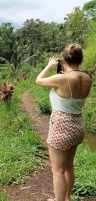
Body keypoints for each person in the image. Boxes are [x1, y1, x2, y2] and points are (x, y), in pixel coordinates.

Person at [35, 43, 92, 201]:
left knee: (57, 170)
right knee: (68, 166)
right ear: (80, 60)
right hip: (78, 125)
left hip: (61, 124)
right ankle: (66, 198)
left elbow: (39, 80)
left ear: (63, 60)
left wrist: (48, 66)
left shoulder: (62, 79)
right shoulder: (87, 78)